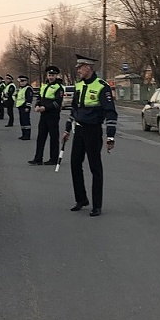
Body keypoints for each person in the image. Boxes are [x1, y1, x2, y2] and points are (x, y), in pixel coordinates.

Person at [62, 54, 118, 217]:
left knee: (95, 168)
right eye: (78, 68)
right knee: (74, 164)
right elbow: (74, 109)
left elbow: (111, 113)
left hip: (93, 131)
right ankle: (81, 199)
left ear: (88, 67)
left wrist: (110, 136)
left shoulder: (102, 86)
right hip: (78, 130)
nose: (78, 71)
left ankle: (97, 205)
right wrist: (67, 129)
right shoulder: (78, 86)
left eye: (80, 68)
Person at [29, 65, 64, 165]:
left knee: (53, 137)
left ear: (56, 76)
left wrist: (45, 108)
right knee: (41, 137)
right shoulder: (44, 86)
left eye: (53, 75)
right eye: (49, 75)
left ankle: (53, 159)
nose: (51, 77)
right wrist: (37, 105)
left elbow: (57, 102)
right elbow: (40, 97)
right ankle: (38, 158)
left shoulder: (59, 87)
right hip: (43, 115)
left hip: (52, 115)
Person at [15, 75, 34, 140]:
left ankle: (27, 135)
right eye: (21, 81)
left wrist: (27, 107)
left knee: (26, 121)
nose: (22, 83)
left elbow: (29, 98)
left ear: (26, 81)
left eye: (23, 81)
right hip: (20, 107)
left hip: (25, 107)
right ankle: (23, 134)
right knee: (22, 121)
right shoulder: (21, 89)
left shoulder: (28, 88)